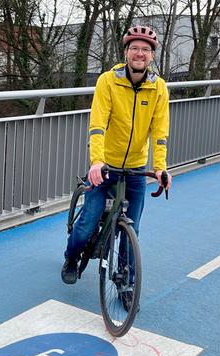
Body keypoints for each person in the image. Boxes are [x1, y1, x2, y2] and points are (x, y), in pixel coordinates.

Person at [61, 25, 171, 285]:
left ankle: (126, 282)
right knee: (88, 223)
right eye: (135, 48)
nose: (140, 53)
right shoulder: (108, 81)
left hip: (134, 168)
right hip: (106, 166)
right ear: (126, 52)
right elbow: (98, 124)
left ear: (152, 56)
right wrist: (96, 161)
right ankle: (71, 257)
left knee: (133, 229)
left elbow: (160, 133)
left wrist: (160, 167)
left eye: (146, 49)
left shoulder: (159, 88)